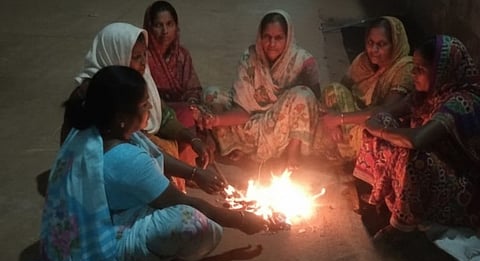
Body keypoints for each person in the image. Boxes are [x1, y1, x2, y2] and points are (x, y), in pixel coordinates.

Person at [41, 65, 267, 261]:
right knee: (196, 224)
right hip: (107, 239)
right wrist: (241, 220)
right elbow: (182, 201)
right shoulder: (124, 158)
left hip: (102, 213)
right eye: (143, 104)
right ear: (121, 116)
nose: (150, 106)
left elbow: (154, 155)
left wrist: (195, 174)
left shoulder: (100, 128)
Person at [61, 22, 219, 193]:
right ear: (116, 54)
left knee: (181, 123)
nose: (144, 62)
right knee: (161, 166)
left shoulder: (132, 81)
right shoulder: (102, 94)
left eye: (145, 55)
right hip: (98, 182)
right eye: (136, 57)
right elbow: (141, 150)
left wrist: (193, 140)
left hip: (126, 151)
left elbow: (164, 115)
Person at [353, 35, 480, 240]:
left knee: (414, 155)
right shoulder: (427, 94)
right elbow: (386, 113)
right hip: (430, 173)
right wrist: (377, 123)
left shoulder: (461, 101)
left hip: (462, 190)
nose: (413, 74)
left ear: (441, 71)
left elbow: (417, 139)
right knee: (382, 126)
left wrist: (382, 130)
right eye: (414, 67)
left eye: (420, 69)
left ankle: (401, 228)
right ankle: (383, 193)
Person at [196, 9, 321, 171]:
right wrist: (215, 120)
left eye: (278, 38)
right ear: (259, 37)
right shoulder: (249, 57)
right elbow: (242, 110)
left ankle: (291, 153)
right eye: (267, 37)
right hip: (251, 122)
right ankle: (243, 147)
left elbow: (314, 103)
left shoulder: (303, 61)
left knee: (303, 94)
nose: (272, 44)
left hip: (281, 127)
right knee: (211, 95)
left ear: (288, 38)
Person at [317, 16, 414, 161]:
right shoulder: (363, 61)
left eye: (381, 44)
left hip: (379, 125)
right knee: (333, 90)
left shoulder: (404, 68)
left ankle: (348, 154)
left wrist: (339, 119)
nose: (374, 50)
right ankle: (340, 147)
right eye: (370, 43)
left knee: (366, 134)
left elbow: (385, 112)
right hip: (354, 117)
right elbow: (342, 90)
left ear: (395, 44)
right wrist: (334, 121)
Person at [143, 1, 205, 166]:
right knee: (185, 115)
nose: (165, 31)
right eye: (158, 25)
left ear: (176, 26)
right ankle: (188, 167)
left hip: (179, 107)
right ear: (149, 27)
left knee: (201, 111)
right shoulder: (142, 56)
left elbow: (193, 88)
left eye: (169, 24)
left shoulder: (181, 55)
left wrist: (192, 104)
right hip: (154, 109)